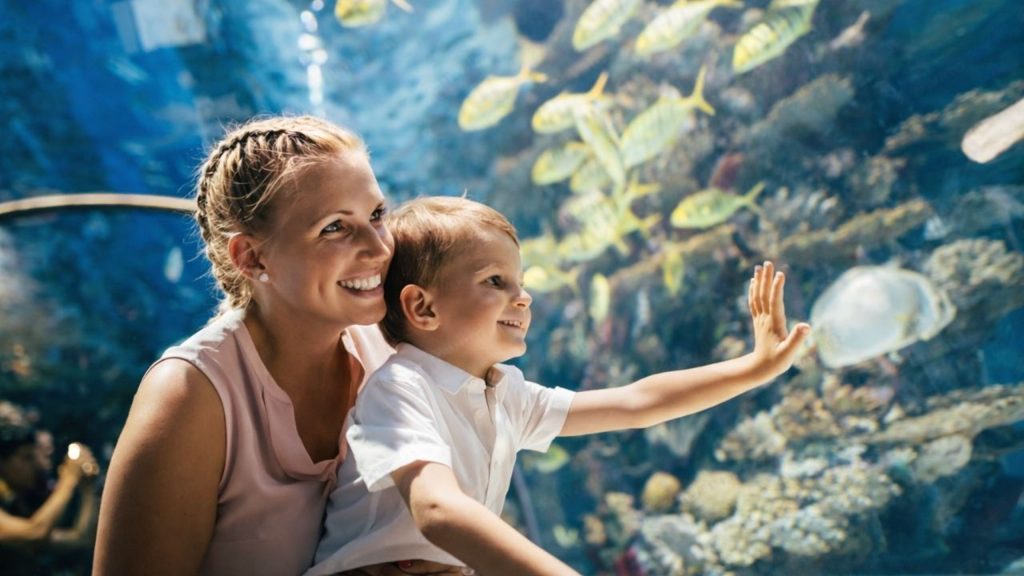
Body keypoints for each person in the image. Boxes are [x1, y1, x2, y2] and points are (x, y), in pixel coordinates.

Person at [307, 196, 812, 575]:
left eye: (520, 283)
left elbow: (637, 403)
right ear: (424, 307)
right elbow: (437, 510)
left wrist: (753, 368)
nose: (523, 298)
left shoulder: (506, 394)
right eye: (495, 282)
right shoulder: (400, 387)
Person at [94, 116, 457, 576]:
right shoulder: (191, 396)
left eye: (377, 215)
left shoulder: (393, 346)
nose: (378, 248)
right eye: (334, 228)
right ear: (251, 256)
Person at [1, 401, 100, 572]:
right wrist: (68, 479)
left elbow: (79, 540)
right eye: (26, 458)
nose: (36, 466)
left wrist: (87, 488)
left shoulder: (14, 503)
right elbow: (33, 534)